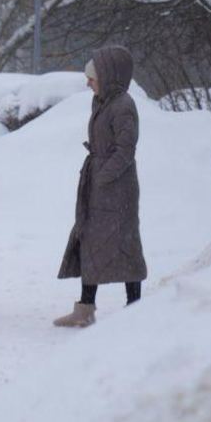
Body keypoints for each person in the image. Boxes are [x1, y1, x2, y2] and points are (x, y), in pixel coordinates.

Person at [55, 46, 147, 327]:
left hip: (118, 190)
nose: (88, 84)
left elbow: (125, 151)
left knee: (125, 245)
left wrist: (104, 176)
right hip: (98, 185)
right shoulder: (103, 101)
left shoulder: (123, 106)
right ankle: (85, 308)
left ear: (109, 77)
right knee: (91, 242)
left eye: (92, 78)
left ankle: (136, 308)